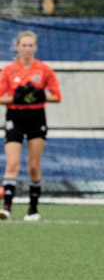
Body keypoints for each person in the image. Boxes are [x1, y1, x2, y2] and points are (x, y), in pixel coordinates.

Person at [0, 31, 62, 222]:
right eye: (23, 45)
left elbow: (57, 96)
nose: (27, 49)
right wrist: (16, 98)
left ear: (35, 47)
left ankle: (33, 209)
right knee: (12, 164)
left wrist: (39, 96)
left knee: (34, 167)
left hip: (36, 118)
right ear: (17, 47)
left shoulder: (44, 70)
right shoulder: (9, 70)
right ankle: (6, 208)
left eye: (30, 45)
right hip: (15, 117)